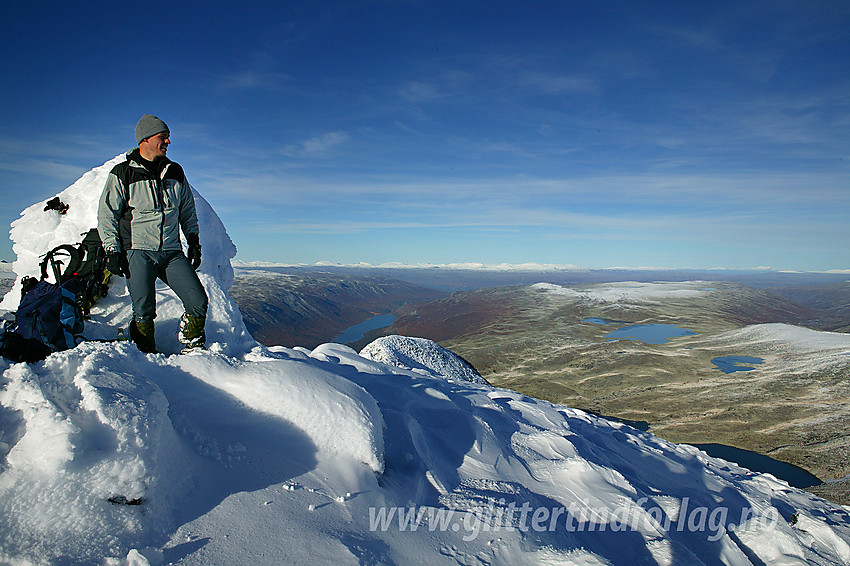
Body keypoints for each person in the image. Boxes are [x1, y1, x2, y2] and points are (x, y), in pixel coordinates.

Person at [97, 114, 208, 353]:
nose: (168, 142)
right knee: (144, 310)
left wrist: (194, 241)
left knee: (198, 300)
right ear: (145, 139)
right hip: (138, 251)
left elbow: (187, 210)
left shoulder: (175, 172)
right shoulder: (123, 173)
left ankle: (193, 350)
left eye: (168, 138)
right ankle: (146, 357)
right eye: (163, 137)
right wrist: (112, 251)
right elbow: (107, 214)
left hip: (171, 251)